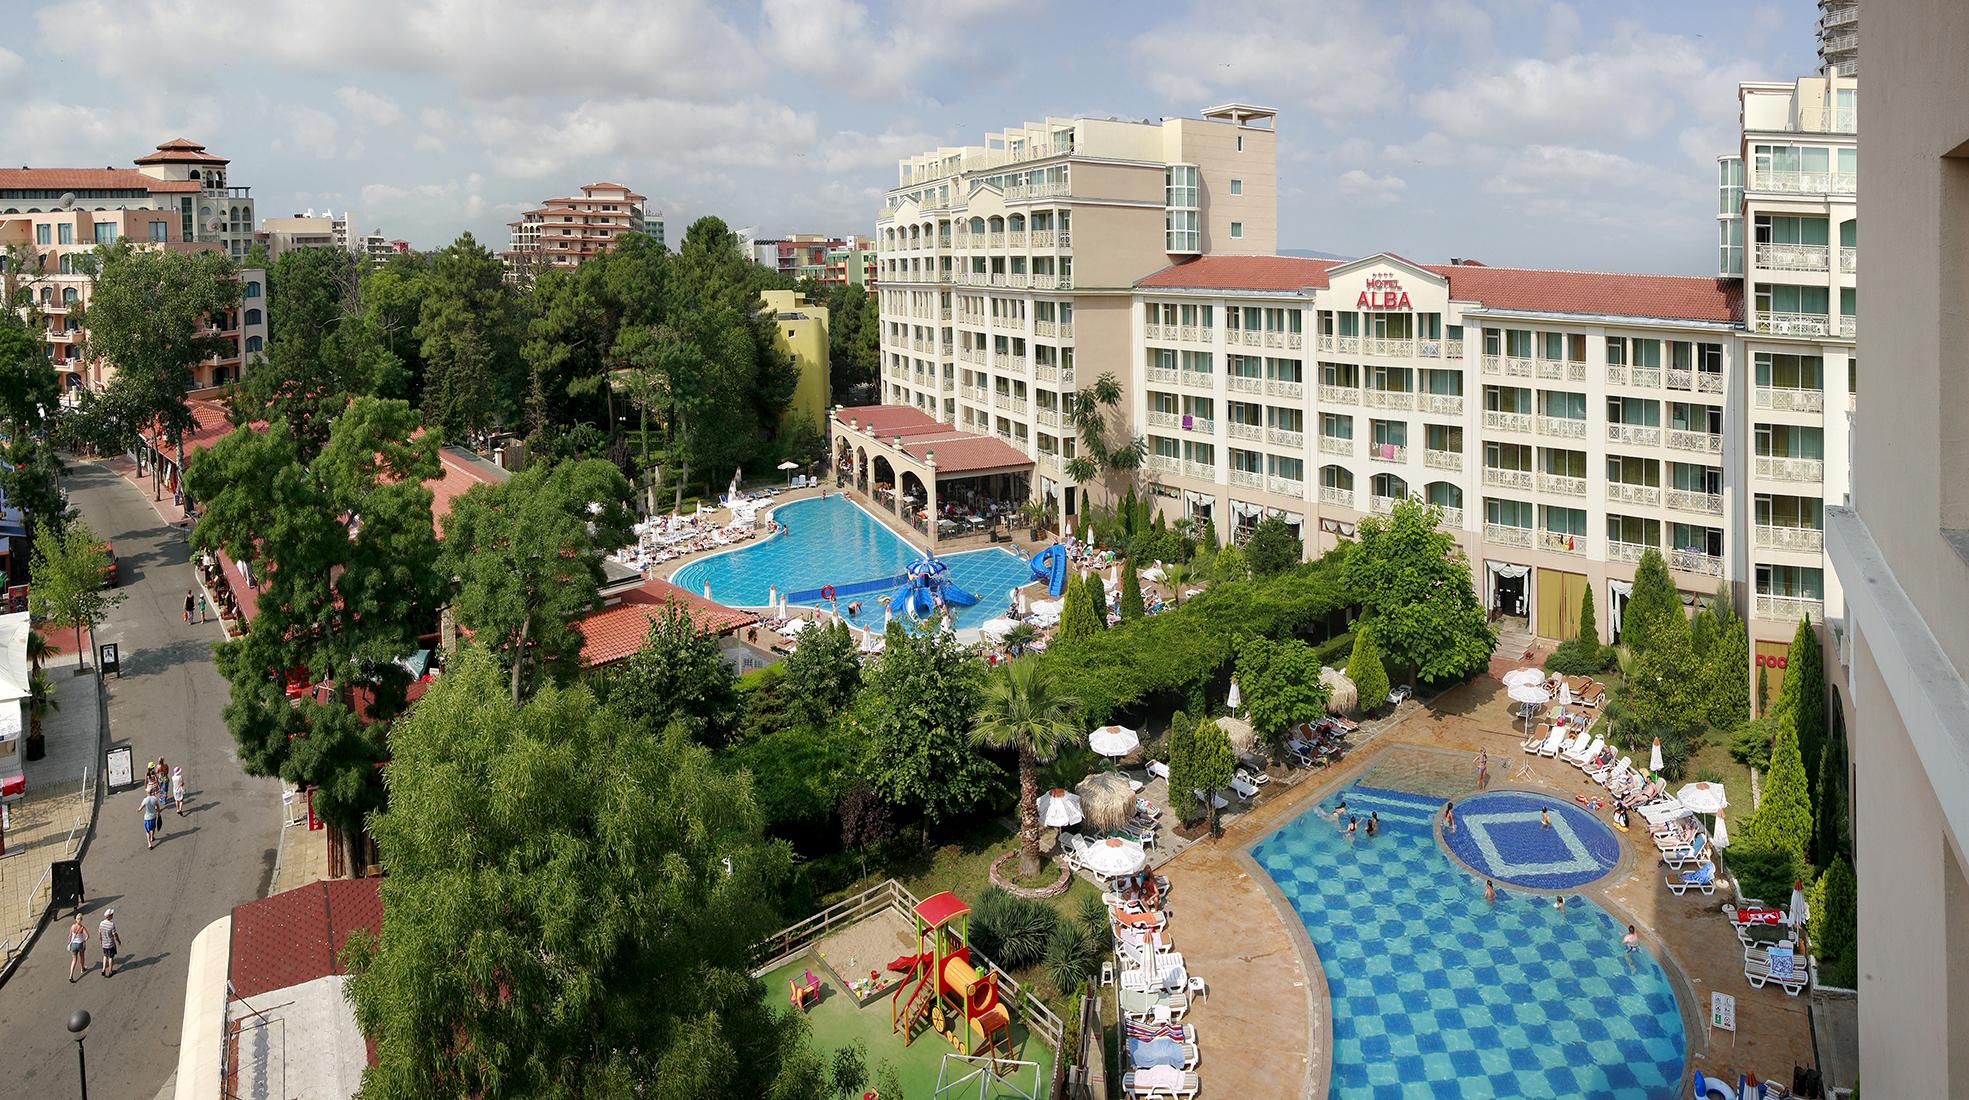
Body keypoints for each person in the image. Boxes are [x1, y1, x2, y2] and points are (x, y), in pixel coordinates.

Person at [98, 909, 120, 978]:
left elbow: (100, 933)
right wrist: (118, 941)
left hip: (104, 944)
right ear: (109, 916)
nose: (112, 915)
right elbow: (115, 934)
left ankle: (103, 969)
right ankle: (110, 971)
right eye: (112, 915)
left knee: (105, 956)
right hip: (110, 944)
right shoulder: (111, 924)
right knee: (111, 957)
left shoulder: (101, 923)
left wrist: (101, 941)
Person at [68, 914, 89, 981]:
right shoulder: (82, 928)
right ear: (81, 920)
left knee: (74, 960)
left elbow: (69, 936)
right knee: (82, 956)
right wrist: (84, 940)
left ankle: (71, 975)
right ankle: (82, 968)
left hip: (73, 945)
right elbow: (87, 936)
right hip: (80, 944)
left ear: (76, 919)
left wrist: (69, 943)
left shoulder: (72, 926)